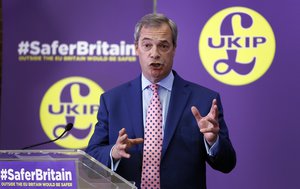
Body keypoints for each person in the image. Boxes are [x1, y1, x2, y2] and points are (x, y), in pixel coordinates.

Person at [86, 13, 236, 189]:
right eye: (147, 45)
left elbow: (227, 164)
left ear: (174, 49)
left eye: (163, 46)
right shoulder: (112, 100)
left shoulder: (204, 100)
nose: (154, 53)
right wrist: (114, 152)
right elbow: (92, 158)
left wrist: (213, 141)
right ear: (136, 48)